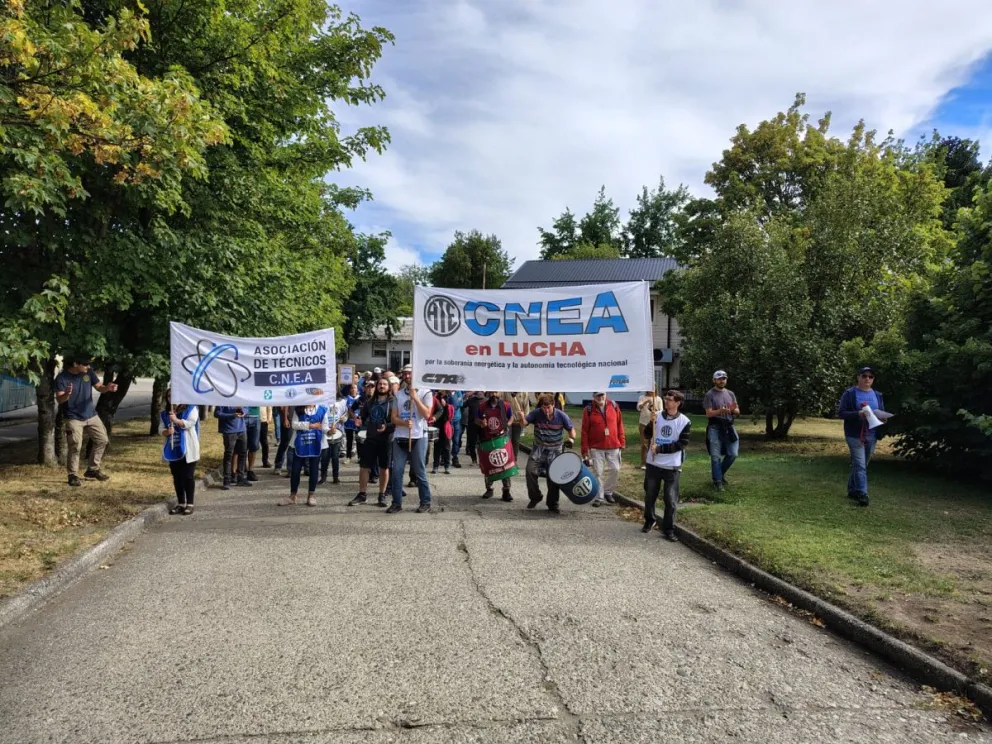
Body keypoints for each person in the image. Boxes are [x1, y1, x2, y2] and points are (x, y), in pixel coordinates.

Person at [54, 355, 118, 487]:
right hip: (73, 417)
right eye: (85, 364)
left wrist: (107, 388)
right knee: (75, 446)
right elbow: (59, 400)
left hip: (91, 415)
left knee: (102, 440)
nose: (88, 366)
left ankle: (92, 470)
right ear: (75, 364)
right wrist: (67, 394)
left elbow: (99, 387)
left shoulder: (88, 373)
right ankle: (72, 475)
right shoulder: (62, 378)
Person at [642, 390, 691, 541]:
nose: (666, 401)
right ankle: (649, 520)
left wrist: (660, 449)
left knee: (670, 499)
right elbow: (647, 435)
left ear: (677, 403)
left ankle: (669, 529)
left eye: (670, 399)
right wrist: (651, 423)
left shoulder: (684, 421)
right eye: (666, 398)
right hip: (654, 463)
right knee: (650, 494)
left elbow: (681, 444)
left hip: (672, 466)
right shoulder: (657, 416)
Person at [837, 366, 886, 507]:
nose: (867, 379)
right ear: (858, 377)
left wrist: (883, 418)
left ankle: (852, 490)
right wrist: (857, 414)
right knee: (860, 464)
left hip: (872, 434)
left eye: (871, 376)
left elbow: (881, 412)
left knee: (862, 464)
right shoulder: (850, 394)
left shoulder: (877, 395)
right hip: (854, 434)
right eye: (864, 375)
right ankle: (862, 494)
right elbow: (841, 413)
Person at [387, 366, 433, 514]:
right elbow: (393, 418)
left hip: (418, 436)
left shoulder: (426, 392)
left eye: (409, 373)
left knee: (419, 471)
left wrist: (415, 398)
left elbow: (426, 415)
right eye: (405, 374)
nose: (407, 376)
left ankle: (425, 502)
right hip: (400, 437)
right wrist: (404, 423)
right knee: (397, 471)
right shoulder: (398, 394)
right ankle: (396, 503)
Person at [523, 394, 576, 514]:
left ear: (553, 405)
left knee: (553, 477)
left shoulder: (561, 415)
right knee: (530, 471)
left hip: (555, 449)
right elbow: (524, 423)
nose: (546, 410)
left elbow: (571, 429)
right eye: (544, 407)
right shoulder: (536, 413)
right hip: (539, 449)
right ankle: (535, 497)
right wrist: (522, 418)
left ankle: (553, 503)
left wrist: (571, 439)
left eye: (548, 407)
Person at [349, 376, 394, 507]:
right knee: (364, 467)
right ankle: (362, 495)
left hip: (386, 440)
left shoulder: (394, 402)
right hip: (370, 438)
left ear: (389, 387)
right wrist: (358, 420)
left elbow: (396, 421)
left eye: (385, 384)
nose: (382, 386)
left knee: (384, 468)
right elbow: (362, 416)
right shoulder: (370, 402)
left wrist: (387, 427)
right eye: (380, 384)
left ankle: (382, 495)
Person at [581, 391, 626, 507]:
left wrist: (622, 441)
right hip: (596, 447)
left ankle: (608, 491)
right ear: (593, 397)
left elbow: (620, 424)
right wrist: (584, 449)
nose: (600, 397)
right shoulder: (588, 410)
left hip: (613, 444)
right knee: (598, 472)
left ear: (606, 394)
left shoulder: (614, 406)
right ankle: (599, 497)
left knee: (615, 469)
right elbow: (584, 430)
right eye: (598, 395)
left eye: (602, 395)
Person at [280, 404, 329, 507]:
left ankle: (311, 495)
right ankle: (293, 496)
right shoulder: (299, 409)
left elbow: (324, 427)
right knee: (295, 470)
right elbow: (294, 425)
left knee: (314, 469)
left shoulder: (322, 409)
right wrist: (311, 426)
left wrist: (330, 431)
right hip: (300, 443)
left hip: (316, 443)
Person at [703, 370, 740, 491]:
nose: (722, 381)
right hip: (715, 427)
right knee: (715, 456)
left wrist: (733, 410)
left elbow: (737, 410)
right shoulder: (709, 395)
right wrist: (720, 411)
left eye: (724, 378)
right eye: (719, 379)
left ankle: (719, 473)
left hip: (729, 427)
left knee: (733, 454)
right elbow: (708, 413)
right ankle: (717, 481)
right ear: (714, 380)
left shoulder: (730, 394)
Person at [162, 401, 200, 515]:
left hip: (188, 449)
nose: (172, 398)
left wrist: (176, 420)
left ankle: (190, 504)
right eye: (169, 396)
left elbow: (190, 423)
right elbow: (161, 429)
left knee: (188, 476)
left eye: (173, 395)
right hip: (173, 448)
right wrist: (167, 432)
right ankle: (181, 503)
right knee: (177, 477)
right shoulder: (165, 413)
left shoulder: (191, 408)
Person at [477, 391, 514, 501]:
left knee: (504, 464)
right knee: (489, 465)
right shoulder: (482, 406)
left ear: (500, 393)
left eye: (496, 392)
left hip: (501, 439)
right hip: (487, 439)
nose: (494, 394)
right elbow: (476, 419)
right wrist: (481, 422)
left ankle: (506, 491)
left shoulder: (505, 405)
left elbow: (511, 417)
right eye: (492, 392)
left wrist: (507, 425)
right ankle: (489, 489)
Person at [215, 406, 251, 490]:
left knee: (243, 453)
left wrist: (243, 411)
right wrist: (232, 415)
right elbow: (217, 413)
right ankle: (227, 480)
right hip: (229, 430)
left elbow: (246, 407)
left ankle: (240, 477)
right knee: (229, 455)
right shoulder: (223, 399)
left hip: (242, 429)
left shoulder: (239, 398)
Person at [320, 395, 347, 485]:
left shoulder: (341, 402)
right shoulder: (322, 404)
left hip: (337, 433)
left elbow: (346, 414)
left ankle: (336, 477)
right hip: (325, 434)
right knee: (324, 457)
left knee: (335, 457)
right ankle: (323, 477)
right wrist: (327, 429)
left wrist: (344, 419)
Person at [637, 388, 663, 470]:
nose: (650, 391)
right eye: (649, 389)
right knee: (644, 444)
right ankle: (643, 463)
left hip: (654, 424)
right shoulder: (642, 397)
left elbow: (661, 411)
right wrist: (646, 402)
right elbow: (638, 408)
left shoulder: (658, 399)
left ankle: (652, 462)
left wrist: (654, 409)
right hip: (643, 423)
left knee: (653, 443)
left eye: (652, 389)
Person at [430, 391, 454, 475]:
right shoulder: (436, 398)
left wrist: (446, 405)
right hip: (437, 426)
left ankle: (447, 466)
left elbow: (450, 416)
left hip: (446, 427)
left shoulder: (450, 398)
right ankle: (435, 466)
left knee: (447, 448)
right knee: (437, 448)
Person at [505, 391, 530, 460]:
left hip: (518, 421)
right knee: (507, 440)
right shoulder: (506, 392)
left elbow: (526, 408)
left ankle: (514, 459)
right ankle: (507, 459)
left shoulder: (524, 393)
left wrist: (525, 419)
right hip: (508, 421)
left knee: (516, 441)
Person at [462, 390, 485, 464]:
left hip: (482, 425)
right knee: (471, 443)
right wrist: (465, 396)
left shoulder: (486, 401)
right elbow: (462, 405)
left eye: (481, 391)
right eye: (478, 391)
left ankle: (482, 460)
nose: (480, 392)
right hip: (472, 424)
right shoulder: (471, 400)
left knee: (483, 443)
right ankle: (474, 459)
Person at [273, 405, 293, 476]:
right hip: (288, 417)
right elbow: (284, 404)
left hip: (299, 416)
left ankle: (303, 467)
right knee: (285, 443)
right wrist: (285, 418)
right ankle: (278, 465)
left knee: (299, 442)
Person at [344, 382, 360, 463]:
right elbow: (345, 410)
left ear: (357, 389)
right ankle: (348, 457)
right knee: (349, 440)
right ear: (350, 389)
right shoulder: (346, 399)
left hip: (358, 422)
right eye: (352, 388)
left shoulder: (360, 398)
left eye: (355, 388)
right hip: (349, 422)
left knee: (359, 440)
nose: (353, 389)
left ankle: (360, 457)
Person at [244, 406, 261, 481]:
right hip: (242, 416)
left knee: (254, 445)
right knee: (241, 445)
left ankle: (250, 470)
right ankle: (241, 469)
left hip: (255, 416)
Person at [449, 389, 465, 468]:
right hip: (447, 420)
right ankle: (444, 457)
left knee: (456, 440)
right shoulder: (446, 392)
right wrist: (456, 400)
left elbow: (461, 404)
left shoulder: (458, 392)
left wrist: (453, 402)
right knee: (446, 440)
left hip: (456, 420)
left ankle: (454, 457)